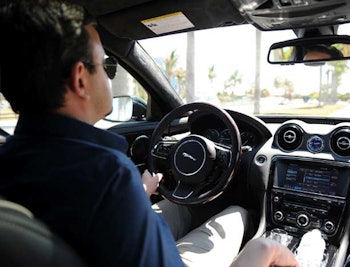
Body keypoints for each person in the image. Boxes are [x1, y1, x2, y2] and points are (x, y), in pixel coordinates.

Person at [0, 1, 296, 266]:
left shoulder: (9, 161)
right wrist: (261, 250)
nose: (107, 75)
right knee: (236, 216)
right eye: (106, 66)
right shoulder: (107, 176)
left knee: (179, 210)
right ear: (80, 79)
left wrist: (138, 194)